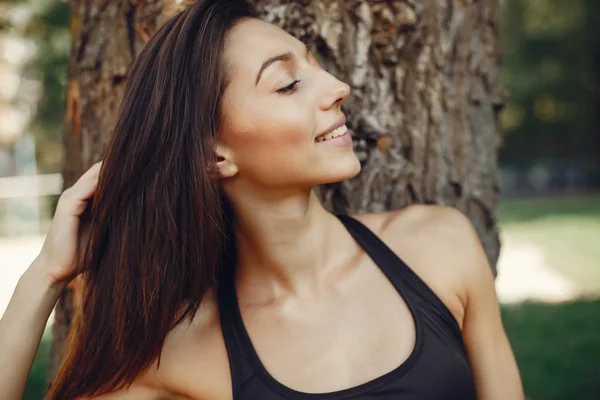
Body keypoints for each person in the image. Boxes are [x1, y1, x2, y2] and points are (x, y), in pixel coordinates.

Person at [0, 0, 525, 399]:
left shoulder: (439, 246)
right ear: (213, 155)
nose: (338, 85)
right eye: (288, 84)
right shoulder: (181, 351)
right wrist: (45, 276)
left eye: (315, 67)